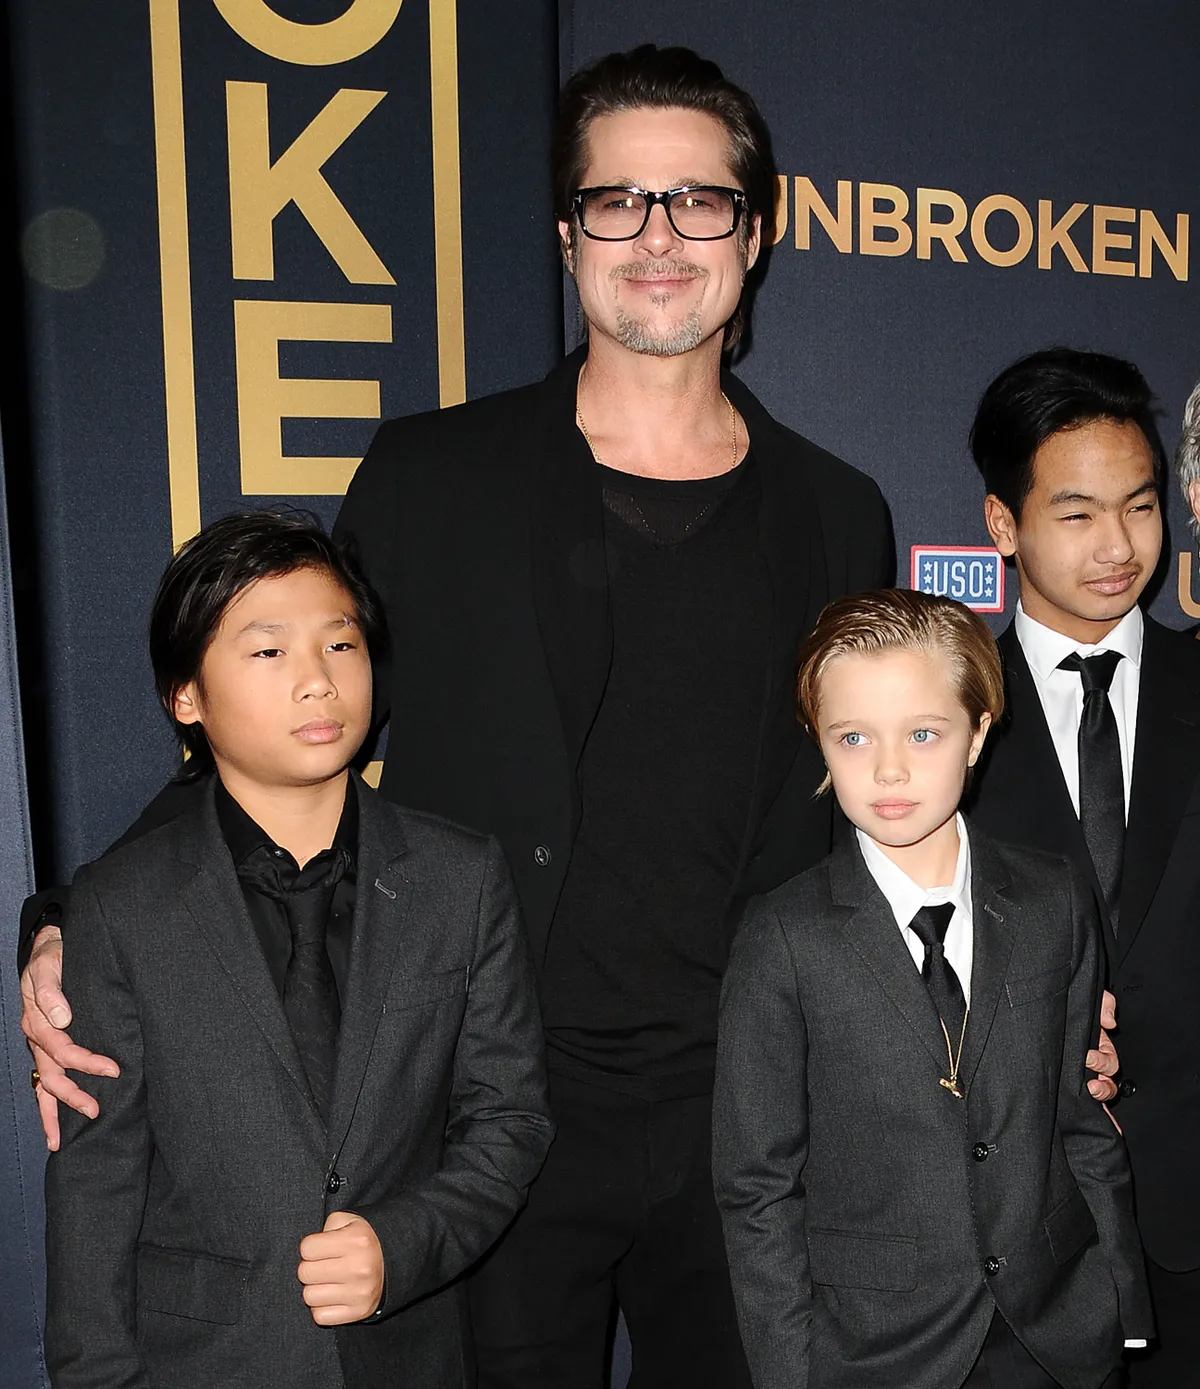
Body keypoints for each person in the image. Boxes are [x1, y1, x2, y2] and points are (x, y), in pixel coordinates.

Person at [21, 46, 893, 1385]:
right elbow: (277, 735)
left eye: (698, 201)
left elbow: (893, 796)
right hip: (488, 1108)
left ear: (754, 232)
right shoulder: (433, 477)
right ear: (565, 233)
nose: (658, 236)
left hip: (750, 1110)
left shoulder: (842, 512)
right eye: (618, 201)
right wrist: (74, 920)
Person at [42, 512, 553, 1388]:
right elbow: (94, 1192)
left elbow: (508, 1118)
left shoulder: (458, 877)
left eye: (340, 645)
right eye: (268, 651)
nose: (317, 680)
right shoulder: (121, 907)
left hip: (411, 1353)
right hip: (202, 1362)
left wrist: (402, 1246)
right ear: (186, 695)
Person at [714, 587, 1151, 1389]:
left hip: (1056, 1338)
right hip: (874, 1353)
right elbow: (757, 1185)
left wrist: (1123, 1308)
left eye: (923, 732)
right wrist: (790, 1371)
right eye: (853, 737)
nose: (889, 769)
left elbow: (1083, 1122)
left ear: (979, 732)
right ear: (819, 741)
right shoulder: (783, 935)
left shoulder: (1054, 898)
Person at [964, 348, 1200, 1387]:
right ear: (1003, 527)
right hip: (1016, 1234)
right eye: (1077, 514)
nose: (1119, 546)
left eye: (1142, 507)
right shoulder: (935, 723)